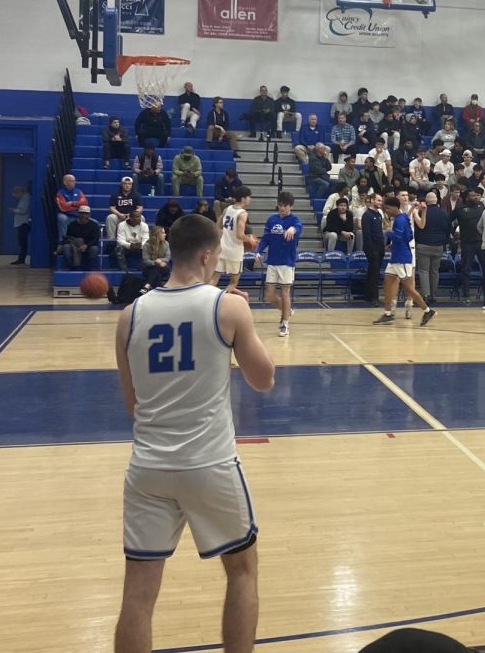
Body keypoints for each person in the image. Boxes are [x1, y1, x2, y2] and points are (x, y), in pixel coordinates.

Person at [111, 214, 275, 653]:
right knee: (241, 571)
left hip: (147, 466)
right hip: (209, 463)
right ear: (206, 255)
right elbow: (264, 379)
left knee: (138, 594)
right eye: (216, 257)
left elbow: (133, 405)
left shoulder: (130, 315)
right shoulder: (227, 305)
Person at [374, 193, 436, 326]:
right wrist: (394, 243)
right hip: (396, 256)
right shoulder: (402, 218)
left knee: (409, 288)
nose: (386, 211)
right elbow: (408, 237)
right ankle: (388, 314)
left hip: (402, 258)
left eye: (388, 209)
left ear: (395, 208)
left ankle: (427, 310)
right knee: (387, 282)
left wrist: (389, 232)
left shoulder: (400, 220)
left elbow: (400, 237)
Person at [254, 191, 301, 337]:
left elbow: (298, 227)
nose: (282, 208)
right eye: (280, 205)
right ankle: (287, 310)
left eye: (285, 205)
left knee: (285, 292)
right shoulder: (271, 220)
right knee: (269, 295)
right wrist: (258, 251)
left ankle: (284, 324)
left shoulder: (294, 220)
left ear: (290, 207)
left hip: (287, 262)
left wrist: (293, 229)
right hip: (272, 262)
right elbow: (265, 239)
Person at [413, 191, 450, 307]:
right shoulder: (443, 213)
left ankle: (426, 295)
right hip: (438, 245)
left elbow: (417, 228)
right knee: (434, 271)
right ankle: (434, 295)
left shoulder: (421, 211)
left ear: (426, 202)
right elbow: (447, 229)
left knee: (424, 271)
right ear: (436, 200)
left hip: (424, 244)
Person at [213, 186, 251, 295]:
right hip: (234, 251)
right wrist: (249, 239)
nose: (250, 199)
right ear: (243, 198)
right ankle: (222, 300)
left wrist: (225, 235)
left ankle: (205, 300)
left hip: (222, 248)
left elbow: (217, 226)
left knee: (213, 279)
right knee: (233, 281)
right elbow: (240, 235)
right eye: (249, 197)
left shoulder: (227, 209)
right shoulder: (243, 213)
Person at [360, 193, 386, 304]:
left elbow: (379, 231)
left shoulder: (379, 214)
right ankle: (374, 297)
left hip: (380, 246)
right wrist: (371, 248)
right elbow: (366, 234)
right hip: (372, 247)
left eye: (381, 201)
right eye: (378, 200)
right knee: (374, 272)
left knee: (373, 271)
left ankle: (368, 295)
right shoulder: (367, 215)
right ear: (372, 200)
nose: (380, 203)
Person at [62, 205, 100, 269]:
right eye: (82, 213)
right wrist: (75, 244)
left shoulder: (94, 225)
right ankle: (72, 267)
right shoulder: (72, 224)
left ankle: (89, 267)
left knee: (94, 249)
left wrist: (86, 246)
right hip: (74, 245)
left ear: (89, 215)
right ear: (78, 214)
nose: (83, 215)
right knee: (66, 247)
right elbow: (67, 237)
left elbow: (95, 239)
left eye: (86, 214)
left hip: (88, 246)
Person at [106, 176, 143, 241]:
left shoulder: (137, 195)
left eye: (129, 184)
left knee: (141, 217)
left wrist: (131, 215)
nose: (127, 185)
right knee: (111, 217)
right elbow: (112, 208)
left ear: (132, 185)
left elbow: (140, 208)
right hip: (119, 216)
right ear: (122, 184)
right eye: (125, 183)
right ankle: (111, 239)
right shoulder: (115, 194)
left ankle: (139, 239)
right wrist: (119, 214)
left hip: (131, 217)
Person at [54, 173, 89, 238]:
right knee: (61, 218)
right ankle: (63, 242)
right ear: (65, 182)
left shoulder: (78, 191)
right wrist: (77, 206)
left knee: (94, 222)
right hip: (66, 215)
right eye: (71, 181)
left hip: (78, 215)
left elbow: (85, 203)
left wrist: (72, 203)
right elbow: (63, 207)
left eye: (74, 181)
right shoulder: (60, 193)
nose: (74, 182)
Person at [141, 225, 171, 290]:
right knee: (156, 273)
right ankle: (160, 289)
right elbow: (146, 260)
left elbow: (168, 258)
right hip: (149, 268)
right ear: (157, 234)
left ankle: (147, 285)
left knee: (155, 269)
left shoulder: (166, 244)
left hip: (163, 268)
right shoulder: (147, 245)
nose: (165, 234)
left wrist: (159, 260)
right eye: (163, 233)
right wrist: (155, 262)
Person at [8, 185, 31, 265]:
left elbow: (23, 210)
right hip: (22, 223)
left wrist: (13, 210)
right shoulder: (25, 198)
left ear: (19, 192)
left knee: (22, 242)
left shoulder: (26, 198)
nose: (16, 197)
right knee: (22, 242)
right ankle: (21, 258)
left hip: (23, 223)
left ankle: (21, 258)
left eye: (16, 195)